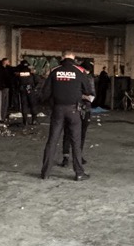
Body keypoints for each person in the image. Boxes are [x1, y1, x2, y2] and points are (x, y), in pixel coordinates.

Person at [39, 52, 94, 181]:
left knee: (52, 140)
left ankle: (45, 173)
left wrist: (52, 103)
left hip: (58, 109)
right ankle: (79, 173)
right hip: (74, 110)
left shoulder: (54, 71)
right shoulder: (79, 71)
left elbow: (45, 93)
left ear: (62, 58)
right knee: (76, 142)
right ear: (74, 58)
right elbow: (88, 91)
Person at [62, 59, 94, 168]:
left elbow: (91, 95)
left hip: (76, 107)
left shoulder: (82, 77)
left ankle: (69, 157)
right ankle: (72, 157)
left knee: (71, 133)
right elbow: (91, 95)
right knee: (76, 133)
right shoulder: (83, 77)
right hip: (78, 108)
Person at [14, 58, 39, 125]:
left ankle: (25, 121)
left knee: (24, 105)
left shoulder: (19, 73)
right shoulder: (31, 72)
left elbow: (16, 81)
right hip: (31, 89)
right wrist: (35, 88)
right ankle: (34, 120)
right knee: (33, 104)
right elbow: (37, 80)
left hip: (22, 90)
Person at [0, 58, 14, 123]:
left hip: (6, 88)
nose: (9, 63)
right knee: (0, 103)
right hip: (1, 88)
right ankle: (0, 118)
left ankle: (3, 117)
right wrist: (0, 87)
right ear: (4, 62)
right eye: (8, 61)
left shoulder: (7, 69)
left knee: (5, 103)